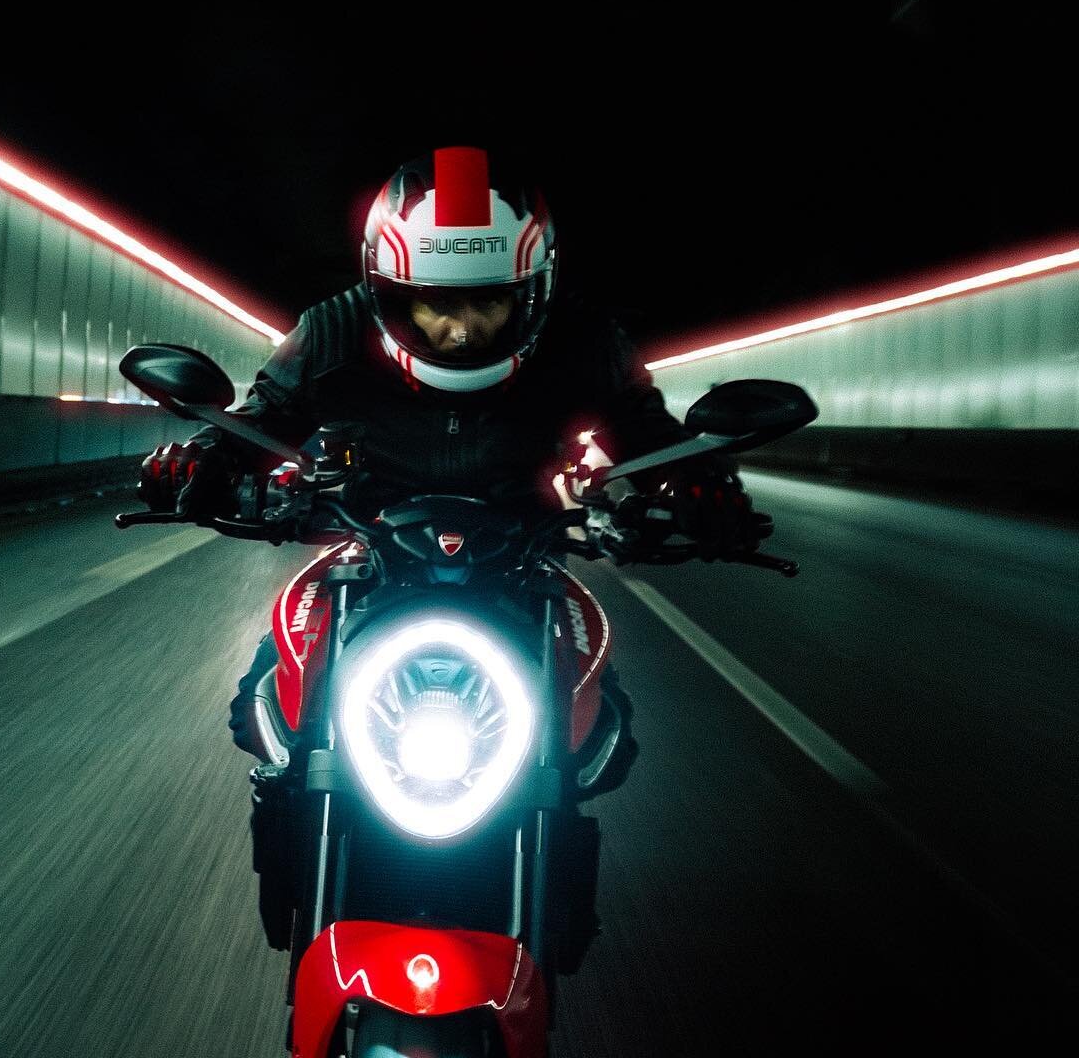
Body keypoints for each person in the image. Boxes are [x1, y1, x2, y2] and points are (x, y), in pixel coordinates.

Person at [140, 146, 764, 769]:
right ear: (389, 291)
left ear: (532, 291)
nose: (461, 331)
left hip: (521, 551)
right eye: (437, 304)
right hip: (372, 541)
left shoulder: (587, 343)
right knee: (265, 710)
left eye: (488, 303)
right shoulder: (331, 331)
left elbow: (648, 431)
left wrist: (701, 481)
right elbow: (262, 420)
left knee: (598, 742)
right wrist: (202, 459)